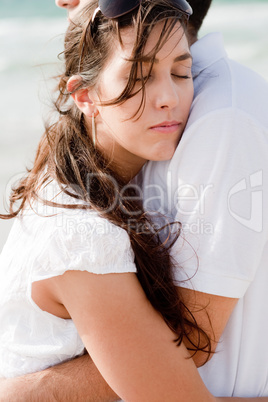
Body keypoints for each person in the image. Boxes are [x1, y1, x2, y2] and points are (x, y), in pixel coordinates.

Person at [1, 0, 268, 401]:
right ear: (85, 96)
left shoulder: (93, 180)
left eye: (181, 72)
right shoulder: (83, 235)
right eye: (140, 76)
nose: (168, 98)